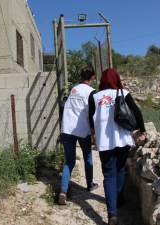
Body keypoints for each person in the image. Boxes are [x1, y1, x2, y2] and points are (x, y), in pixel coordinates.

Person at [89, 68, 146, 225]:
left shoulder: (94, 96)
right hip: (122, 140)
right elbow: (137, 112)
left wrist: (93, 135)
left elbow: (90, 120)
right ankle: (119, 200)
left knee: (108, 175)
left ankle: (112, 213)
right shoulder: (123, 93)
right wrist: (143, 132)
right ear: (117, 79)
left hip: (104, 142)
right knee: (120, 170)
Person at [59, 67, 99, 205]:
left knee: (69, 161)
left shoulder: (73, 89)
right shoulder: (92, 92)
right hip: (82, 129)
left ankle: (63, 191)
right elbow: (92, 114)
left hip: (66, 128)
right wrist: (94, 134)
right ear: (93, 77)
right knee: (87, 156)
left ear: (81, 77)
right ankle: (90, 184)